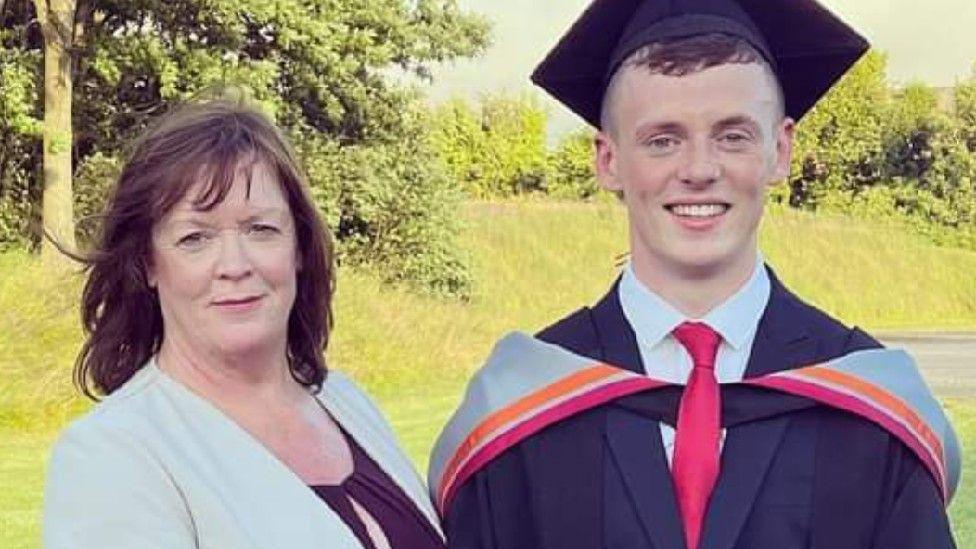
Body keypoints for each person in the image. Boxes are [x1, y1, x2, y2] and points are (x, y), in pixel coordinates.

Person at [429, 1, 960, 548]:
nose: (700, 170)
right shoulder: (521, 411)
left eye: (733, 136)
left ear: (780, 150)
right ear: (608, 160)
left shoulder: (868, 402)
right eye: (663, 139)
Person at [43, 98, 445, 549]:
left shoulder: (348, 403)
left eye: (261, 230)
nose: (234, 265)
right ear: (149, 264)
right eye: (195, 237)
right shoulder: (113, 458)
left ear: (298, 247)